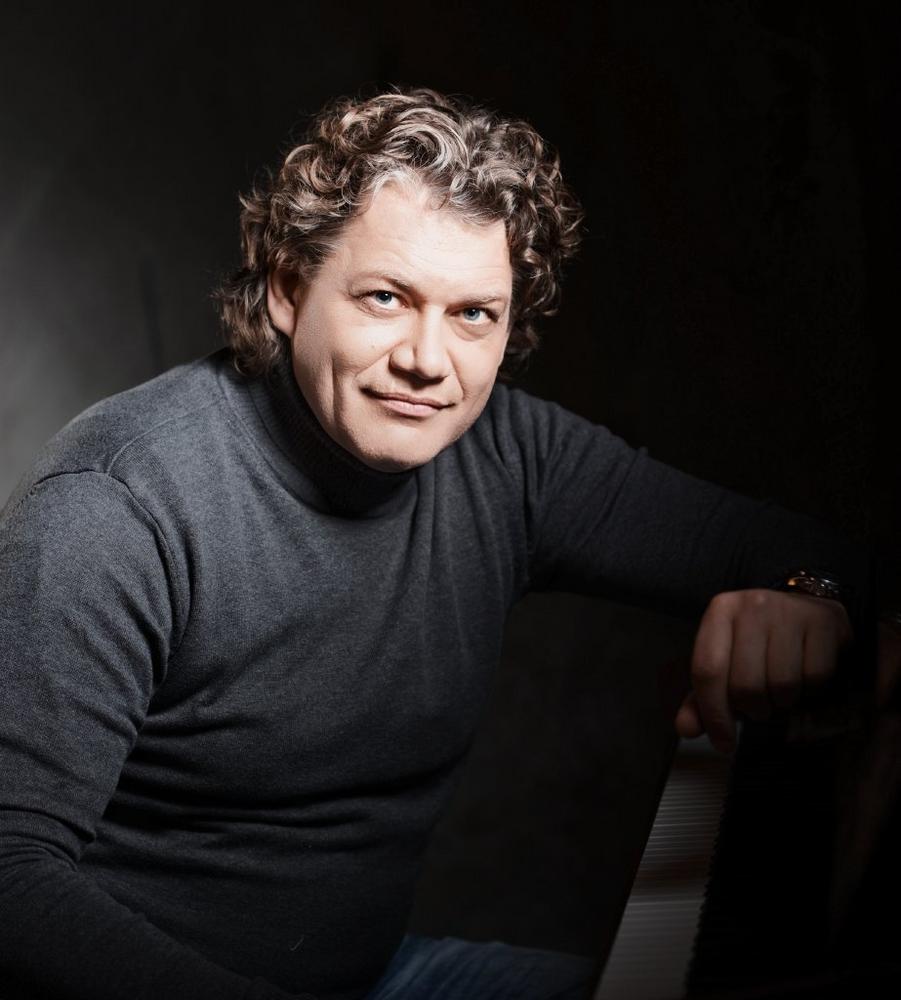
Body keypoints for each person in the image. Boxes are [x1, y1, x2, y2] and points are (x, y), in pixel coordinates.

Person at [0, 86, 896, 1000]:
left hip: (384, 977)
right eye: (386, 298)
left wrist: (810, 591)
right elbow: (10, 877)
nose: (428, 361)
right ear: (287, 290)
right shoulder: (119, 503)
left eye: (473, 314)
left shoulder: (509, 455)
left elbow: (811, 553)